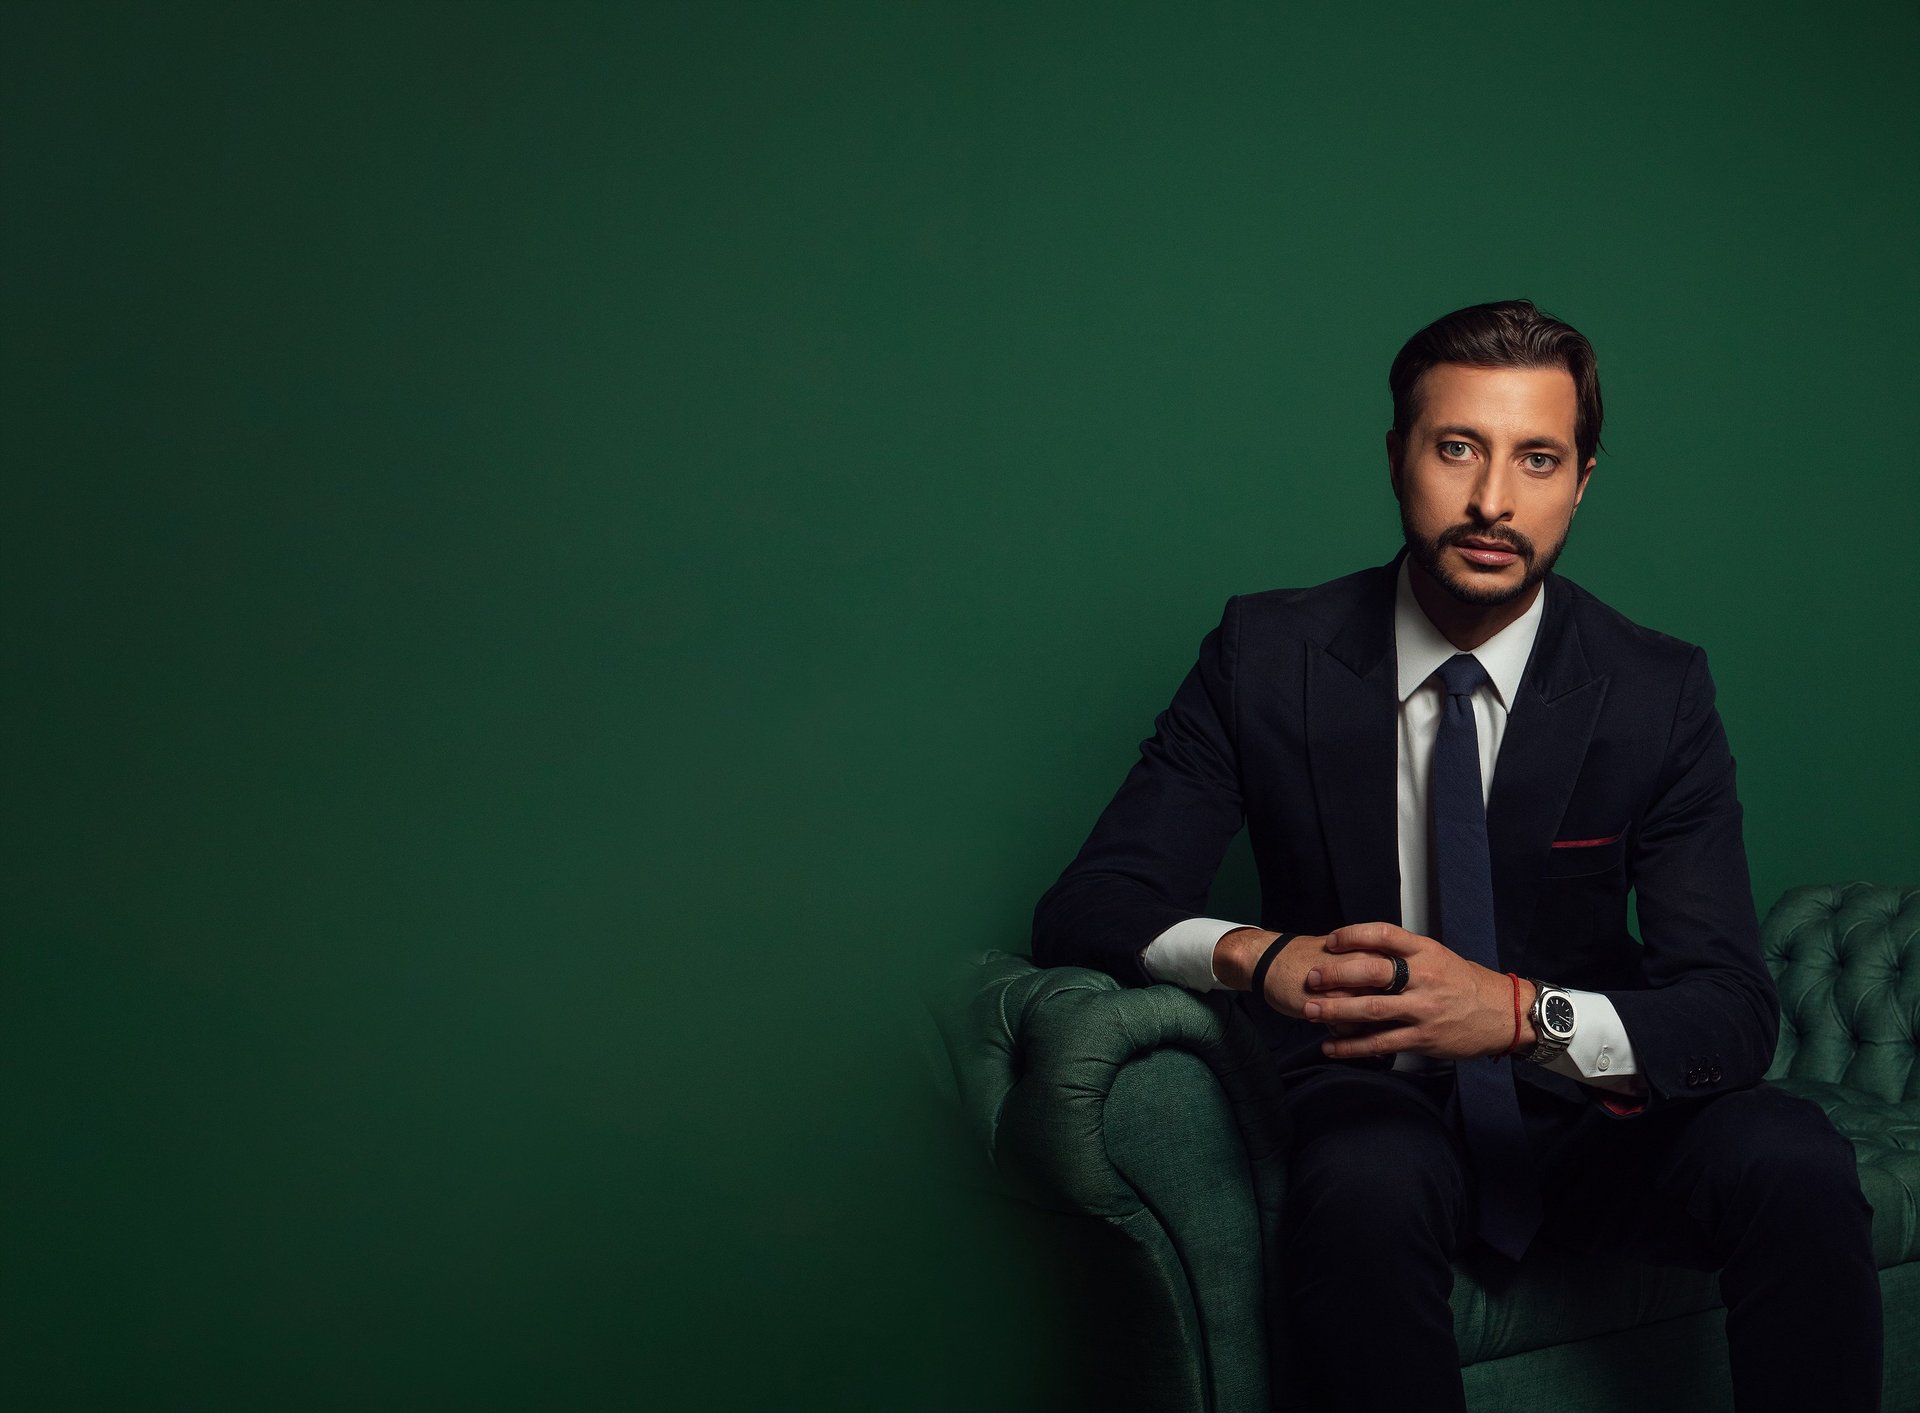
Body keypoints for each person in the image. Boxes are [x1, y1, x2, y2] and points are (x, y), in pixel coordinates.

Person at [1031, 300, 1881, 1412]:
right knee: (1366, 1183)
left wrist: (1524, 1014)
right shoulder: (1265, 653)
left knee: (1795, 1157)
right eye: (1457, 449)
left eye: (1537, 459)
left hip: (1583, 1117)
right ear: (1398, 458)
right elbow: (1093, 902)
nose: (1492, 501)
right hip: (1373, 1104)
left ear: (1581, 480)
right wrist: (1256, 955)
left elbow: (1730, 1008)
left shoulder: (1656, 690)